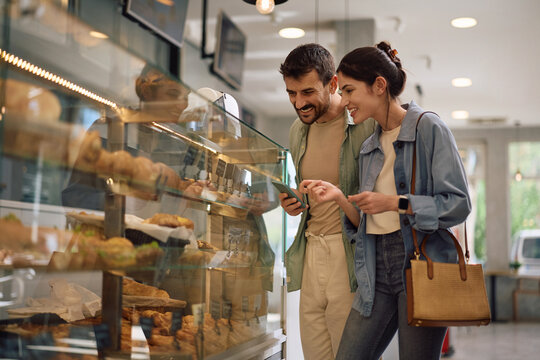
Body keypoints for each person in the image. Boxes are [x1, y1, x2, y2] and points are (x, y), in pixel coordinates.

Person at [300, 42, 471, 360]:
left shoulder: (428, 128)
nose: (345, 100)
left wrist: (397, 202)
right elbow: (367, 222)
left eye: (350, 90)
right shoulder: (369, 147)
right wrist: (338, 197)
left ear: (379, 85)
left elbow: (459, 203)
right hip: (375, 271)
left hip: (420, 268)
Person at [278, 43, 376, 360]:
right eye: (292, 93)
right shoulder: (298, 131)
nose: (299, 103)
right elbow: (308, 194)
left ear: (332, 84)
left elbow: (378, 204)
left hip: (348, 256)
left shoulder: (365, 126)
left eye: (307, 92)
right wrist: (293, 202)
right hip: (310, 250)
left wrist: (340, 197)